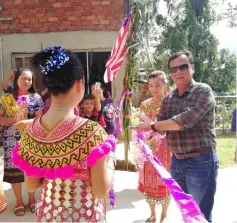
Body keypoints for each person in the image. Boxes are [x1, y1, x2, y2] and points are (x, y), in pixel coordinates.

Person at [12, 46, 116, 222]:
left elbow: (31, 185)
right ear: (79, 83)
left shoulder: (31, 131)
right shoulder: (91, 132)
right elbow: (100, 190)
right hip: (84, 215)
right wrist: (111, 160)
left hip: (48, 215)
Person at [137, 51, 218, 223]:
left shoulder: (202, 91)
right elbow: (161, 126)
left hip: (200, 161)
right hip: (177, 162)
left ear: (192, 68)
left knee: (200, 214)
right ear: (171, 74)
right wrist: (144, 130)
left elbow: (184, 120)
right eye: (174, 69)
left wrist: (152, 125)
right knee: (186, 212)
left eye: (183, 67)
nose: (178, 72)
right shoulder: (169, 98)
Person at [0, 68, 44, 216]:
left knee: (31, 170)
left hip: (31, 138)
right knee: (14, 171)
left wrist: (26, 121)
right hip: (11, 140)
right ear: (16, 79)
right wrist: (14, 119)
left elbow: (40, 119)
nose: (27, 82)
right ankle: (19, 201)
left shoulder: (36, 98)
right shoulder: (6, 98)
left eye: (29, 79)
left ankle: (32, 199)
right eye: (24, 78)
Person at [138, 71, 171, 223]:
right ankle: (152, 214)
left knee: (165, 181)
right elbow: (141, 126)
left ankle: (164, 215)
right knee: (149, 181)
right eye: (151, 85)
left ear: (165, 85)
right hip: (148, 149)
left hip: (167, 148)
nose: (154, 88)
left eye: (158, 85)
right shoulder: (145, 104)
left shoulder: (171, 103)